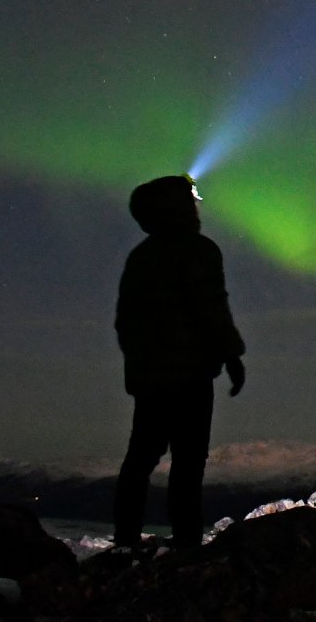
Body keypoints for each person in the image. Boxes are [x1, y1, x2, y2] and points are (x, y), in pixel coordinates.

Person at [112, 174, 247, 551]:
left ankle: (125, 539)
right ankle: (187, 542)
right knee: (188, 460)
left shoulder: (142, 257)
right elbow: (211, 307)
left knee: (141, 457)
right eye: (190, 201)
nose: (196, 208)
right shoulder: (198, 250)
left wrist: (141, 365)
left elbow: (126, 322)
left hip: (151, 377)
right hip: (190, 375)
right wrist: (231, 355)